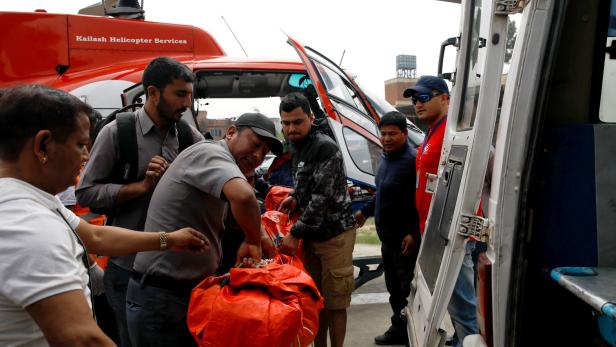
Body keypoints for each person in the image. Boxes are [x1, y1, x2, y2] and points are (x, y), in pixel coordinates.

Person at [0, 85, 209, 347]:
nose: (86, 156)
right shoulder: (30, 227)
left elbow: (95, 236)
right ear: (43, 145)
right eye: (80, 145)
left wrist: (169, 239)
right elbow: (82, 339)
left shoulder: (31, 199)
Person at [76, 57, 203, 346]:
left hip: (174, 270)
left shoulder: (187, 136)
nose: (187, 103)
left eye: (190, 95)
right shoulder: (117, 133)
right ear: (153, 92)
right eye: (180, 94)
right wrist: (141, 187)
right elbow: (86, 194)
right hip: (128, 271)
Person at [126, 112, 282, 346]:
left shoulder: (227, 168)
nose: (258, 155)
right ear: (231, 132)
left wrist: (257, 234)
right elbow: (243, 197)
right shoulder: (210, 152)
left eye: (264, 151)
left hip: (186, 292)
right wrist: (253, 242)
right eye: (255, 144)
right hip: (162, 296)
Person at [403, 75, 479, 347]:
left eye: (424, 97)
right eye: (414, 99)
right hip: (435, 228)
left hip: (451, 230)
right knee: (449, 297)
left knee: (462, 298)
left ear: (445, 98)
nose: (417, 103)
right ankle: (462, 336)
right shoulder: (432, 132)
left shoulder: (454, 131)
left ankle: (469, 339)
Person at [278, 93, 356, 347]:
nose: (291, 128)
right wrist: (294, 197)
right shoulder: (296, 146)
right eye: (286, 123)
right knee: (316, 300)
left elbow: (321, 199)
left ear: (311, 118)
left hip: (335, 235)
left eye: (298, 122)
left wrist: (294, 233)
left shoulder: (324, 146)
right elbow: (306, 187)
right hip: (312, 236)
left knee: (335, 303)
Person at [354, 111, 421, 345]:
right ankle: (399, 329)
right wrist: (364, 211)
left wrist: (414, 233)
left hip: (405, 241)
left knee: (406, 291)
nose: (386, 138)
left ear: (404, 133)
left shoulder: (413, 161)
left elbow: (422, 202)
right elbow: (381, 193)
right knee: (394, 288)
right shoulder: (385, 159)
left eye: (392, 134)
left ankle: (414, 333)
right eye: (383, 134)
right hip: (388, 239)